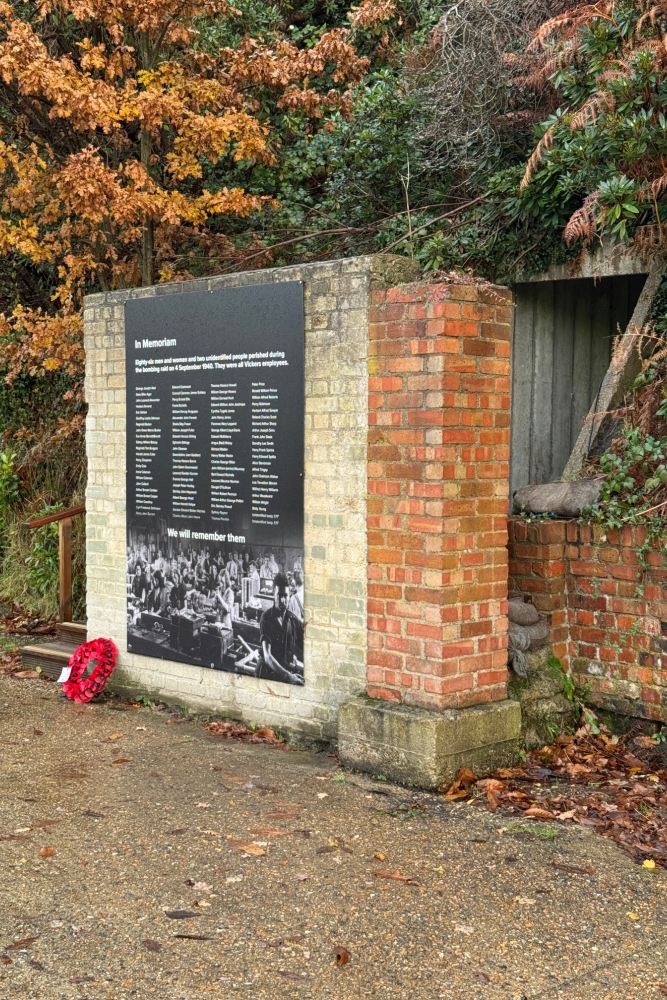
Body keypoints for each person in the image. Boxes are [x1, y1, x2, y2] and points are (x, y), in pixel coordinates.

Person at [257, 573, 304, 685]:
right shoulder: (266, 618)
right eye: (280, 596)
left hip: (284, 675)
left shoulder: (292, 620)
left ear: (289, 596)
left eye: (285, 596)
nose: (283, 600)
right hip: (267, 675)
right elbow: (268, 657)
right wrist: (290, 677)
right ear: (274, 594)